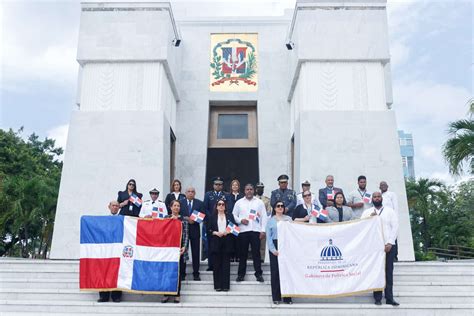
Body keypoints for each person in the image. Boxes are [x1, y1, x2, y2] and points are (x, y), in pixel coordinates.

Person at [361, 192, 400, 306]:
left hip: (388, 246)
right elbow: (362, 228)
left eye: (378, 197)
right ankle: (377, 298)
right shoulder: (367, 212)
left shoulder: (389, 211)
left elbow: (395, 226)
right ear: (372, 199)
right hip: (374, 247)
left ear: (381, 198)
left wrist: (390, 242)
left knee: (388, 272)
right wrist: (369, 219)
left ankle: (389, 298)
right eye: (375, 197)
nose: (377, 198)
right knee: (376, 272)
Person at [232, 184, 267, 282]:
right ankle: (241, 275)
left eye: (251, 189)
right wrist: (240, 220)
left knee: (256, 253)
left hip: (255, 231)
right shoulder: (239, 202)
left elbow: (264, 216)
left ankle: (258, 274)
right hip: (243, 231)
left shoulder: (259, 202)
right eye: (247, 189)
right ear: (244, 190)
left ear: (254, 190)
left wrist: (263, 230)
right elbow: (234, 214)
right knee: (242, 254)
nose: (249, 191)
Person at [162, 200, 189, 304]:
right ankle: (166, 293)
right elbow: (162, 232)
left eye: (178, 206)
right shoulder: (166, 218)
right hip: (167, 250)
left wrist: (184, 247)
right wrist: (170, 221)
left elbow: (186, 235)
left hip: (179, 250)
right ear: (170, 207)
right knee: (166, 271)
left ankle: (177, 294)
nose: (176, 207)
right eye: (175, 205)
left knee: (177, 273)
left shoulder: (183, 220)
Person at [266, 200, 292, 305]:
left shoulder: (289, 219)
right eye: (278, 206)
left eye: (282, 206)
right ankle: (276, 297)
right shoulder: (271, 221)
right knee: (276, 272)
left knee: (287, 272)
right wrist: (273, 250)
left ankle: (287, 297)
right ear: (275, 208)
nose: (280, 207)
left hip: (286, 246)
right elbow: (269, 237)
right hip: (276, 246)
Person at [207, 198, 235, 291]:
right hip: (216, 240)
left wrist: (228, 231)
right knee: (217, 264)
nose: (221, 206)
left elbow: (235, 228)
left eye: (223, 204)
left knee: (226, 264)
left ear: (225, 206)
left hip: (227, 241)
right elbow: (208, 229)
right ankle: (218, 286)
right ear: (216, 206)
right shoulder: (212, 216)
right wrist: (215, 232)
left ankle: (226, 286)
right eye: (219, 204)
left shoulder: (230, 216)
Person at [97, 201, 122, 303]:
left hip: (117, 248)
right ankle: (104, 296)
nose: (115, 207)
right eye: (113, 205)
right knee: (104, 272)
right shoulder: (103, 220)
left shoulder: (122, 220)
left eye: (117, 206)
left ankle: (116, 296)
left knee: (117, 272)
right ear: (109, 207)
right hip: (106, 249)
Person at [203, 176, 229, 270]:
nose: (218, 186)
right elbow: (205, 208)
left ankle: (221, 264)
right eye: (216, 184)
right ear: (213, 185)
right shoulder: (208, 194)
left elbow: (228, 207)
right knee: (210, 245)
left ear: (222, 186)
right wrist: (211, 217)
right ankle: (211, 265)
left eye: (220, 184)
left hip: (222, 221)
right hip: (211, 222)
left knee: (222, 245)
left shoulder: (226, 195)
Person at [180, 186, 204, 281]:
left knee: (195, 253)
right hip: (183, 231)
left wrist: (195, 220)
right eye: (189, 191)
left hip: (195, 231)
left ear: (195, 193)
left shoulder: (199, 203)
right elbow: (177, 214)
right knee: (183, 252)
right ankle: (182, 274)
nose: (190, 193)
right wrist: (186, 218)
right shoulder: (180, 203)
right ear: (185, 193)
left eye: (192, 191)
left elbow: (203, 215)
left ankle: (196, 273)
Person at [255, 182, 271, 262]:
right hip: (254, 222)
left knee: (262, 241)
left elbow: (268, 212)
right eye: (258, 188)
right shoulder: (253, 199)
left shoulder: (267, 200)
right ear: (256, 189)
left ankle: (261, 258)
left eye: (261, 188)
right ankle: (254, 256)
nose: (260, 189)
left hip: (263, 223)